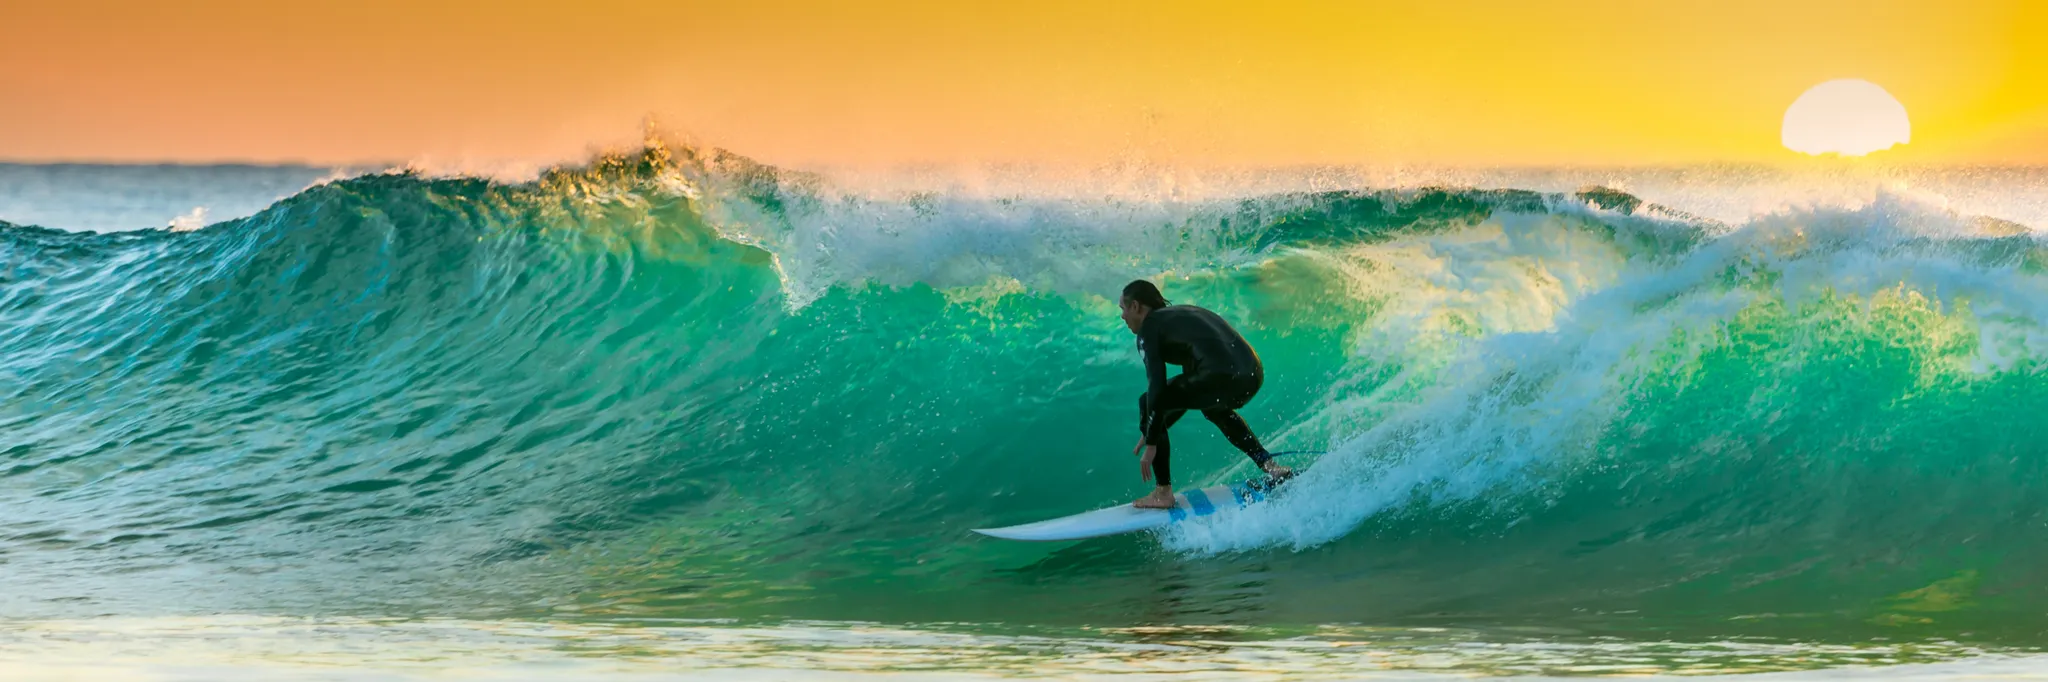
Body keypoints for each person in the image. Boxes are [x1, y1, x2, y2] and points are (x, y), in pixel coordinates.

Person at [1119, 279, 1290, 509]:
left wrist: (1151, 443)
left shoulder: (1148, 329)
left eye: (1123, 308)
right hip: (1251, 373)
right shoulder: (1179, 318)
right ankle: (1271, 466)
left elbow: (1156, 389)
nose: (1122, 316)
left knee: (1146, 401)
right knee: (1214, 409)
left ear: (1136, 307)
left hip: (1220, 374)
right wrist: (1154, 428)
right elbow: (1185, 394)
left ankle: (1163, 492)